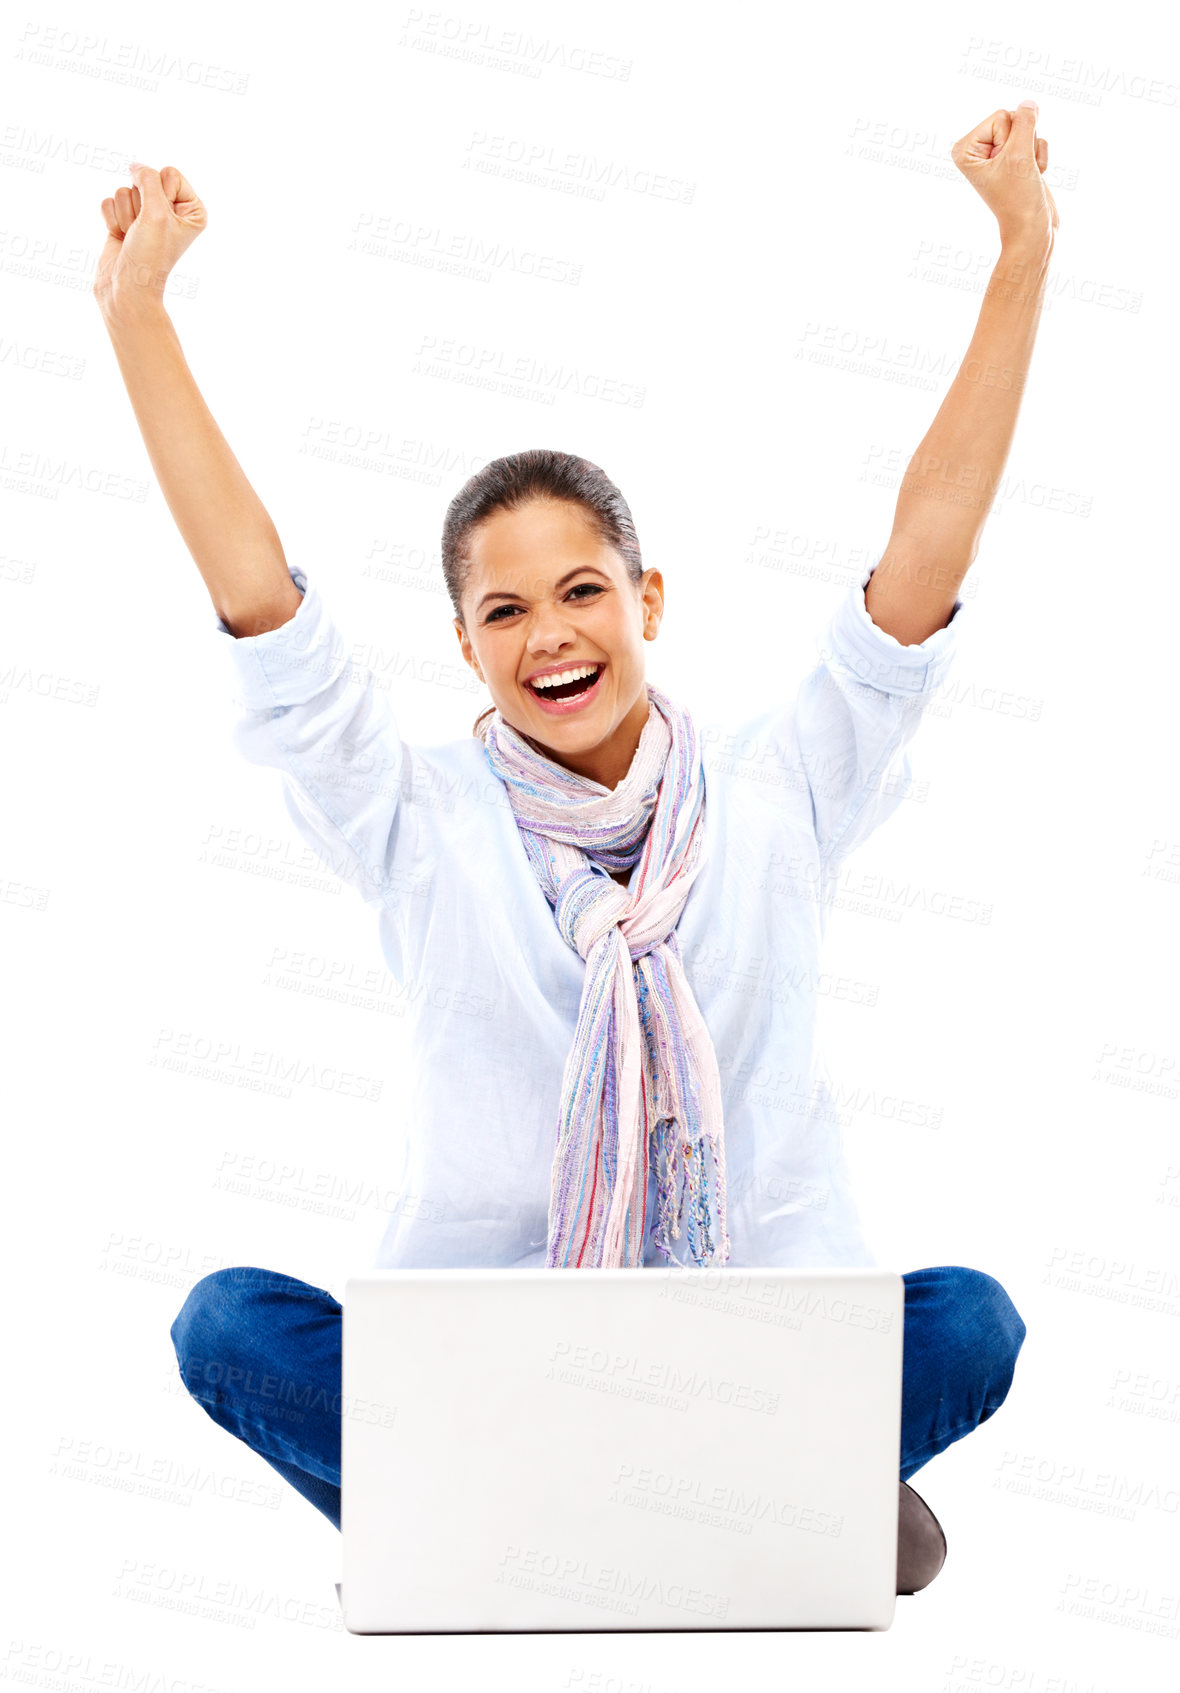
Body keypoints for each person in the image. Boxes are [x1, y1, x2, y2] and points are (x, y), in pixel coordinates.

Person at [94, 102, 1057, 1597]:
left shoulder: (780, 784)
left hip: (751, 1342)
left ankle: (512, 1535)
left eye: (583, 589)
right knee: (226, 1324)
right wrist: (138, 315)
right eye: (504, 611)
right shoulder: (413, 816)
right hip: (484, 1352)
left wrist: (1023, 254)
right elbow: (264, 609)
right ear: (467, 645)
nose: (550, 633)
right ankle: (743, 1524)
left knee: (974, 1321)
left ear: (647, 598)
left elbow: (921, 561)